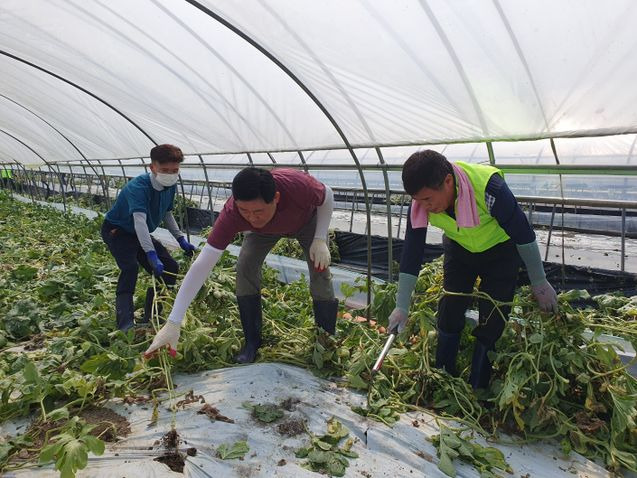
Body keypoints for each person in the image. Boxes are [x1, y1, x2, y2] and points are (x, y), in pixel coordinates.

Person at [387, 150, 557, 390]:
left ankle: (479, 385)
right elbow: (412, 253)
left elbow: (523, 233)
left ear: (447, 181)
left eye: (427, 199)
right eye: (418, 200)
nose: (424, 206)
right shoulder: (420, 205)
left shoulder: (489, 189)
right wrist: (401, 306)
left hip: (501, 252)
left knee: (493, 317)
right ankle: (443, 376)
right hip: (460, 250)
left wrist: (539, 282)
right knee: (450, 307)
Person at [144, 167, 337, 363]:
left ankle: (325, 342)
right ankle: (252, 343)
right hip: (263, 231)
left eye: (258, 210)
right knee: (245, 267)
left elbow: (327, 195)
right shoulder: (233, 214)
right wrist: (173, 322)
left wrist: (320, 238)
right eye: (244, 211)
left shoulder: (297, 185)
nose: (252, 217)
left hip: (307, 222)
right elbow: (202, 264)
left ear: (276, 198)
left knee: (320, 268)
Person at [101, 144, 196, 331]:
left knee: (170, 267)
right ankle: (125, 323)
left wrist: (180, 240)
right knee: (130, 268)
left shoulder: (171, 185)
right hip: (118, 231)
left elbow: (167, 213)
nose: (170, 174)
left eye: (175, 170)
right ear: (152, 167)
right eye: (165, 170)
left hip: (138, 232)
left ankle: (152, 315)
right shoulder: (138, 187)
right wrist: (151, 253)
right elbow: (140, 222)